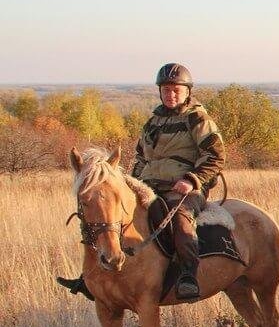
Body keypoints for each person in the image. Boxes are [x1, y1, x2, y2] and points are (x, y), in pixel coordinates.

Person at [59, 62, 225, 302]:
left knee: (180, 221)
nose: (171, 94)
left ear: (187, 91)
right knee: (107, 218)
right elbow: (139, 158)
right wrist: (128, 184)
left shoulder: (198, 118)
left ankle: (189, 274)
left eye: (176, 89)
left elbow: (216, 155)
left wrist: (192, 179)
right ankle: (92, 277)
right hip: (149, 186)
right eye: (166, 89)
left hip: (184, 189)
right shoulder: (153, 122)